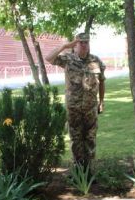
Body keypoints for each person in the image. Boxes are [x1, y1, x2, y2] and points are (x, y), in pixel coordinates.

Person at [45, 32, 105, 170]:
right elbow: (48, 58)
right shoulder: (68, 59)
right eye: (80, 42)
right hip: (73, 108)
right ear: (75, 45)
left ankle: (89, 171)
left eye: (86, 42)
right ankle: (78, 171)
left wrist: (101, 101)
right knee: (76, 139)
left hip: (90, 108)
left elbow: (102, 82)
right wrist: (65, 46)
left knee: (90, 139)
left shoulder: (96, 61)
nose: (84, 45)